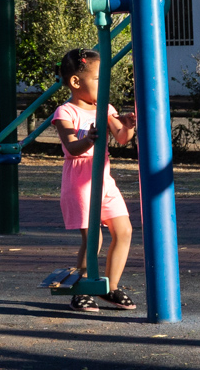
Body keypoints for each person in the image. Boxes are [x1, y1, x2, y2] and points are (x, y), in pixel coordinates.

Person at [53, 48, 137, 312]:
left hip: (104, 180)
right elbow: (71, 147)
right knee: (94, 240)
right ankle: (84, 288)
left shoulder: (105, 108)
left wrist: (129, 124)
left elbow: (122, 138)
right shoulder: (65, 112)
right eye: (99, 78)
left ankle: (109, 287)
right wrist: (88, 139)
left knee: (124, 231)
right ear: (76, 82)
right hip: (80, 181)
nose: (105, 85)